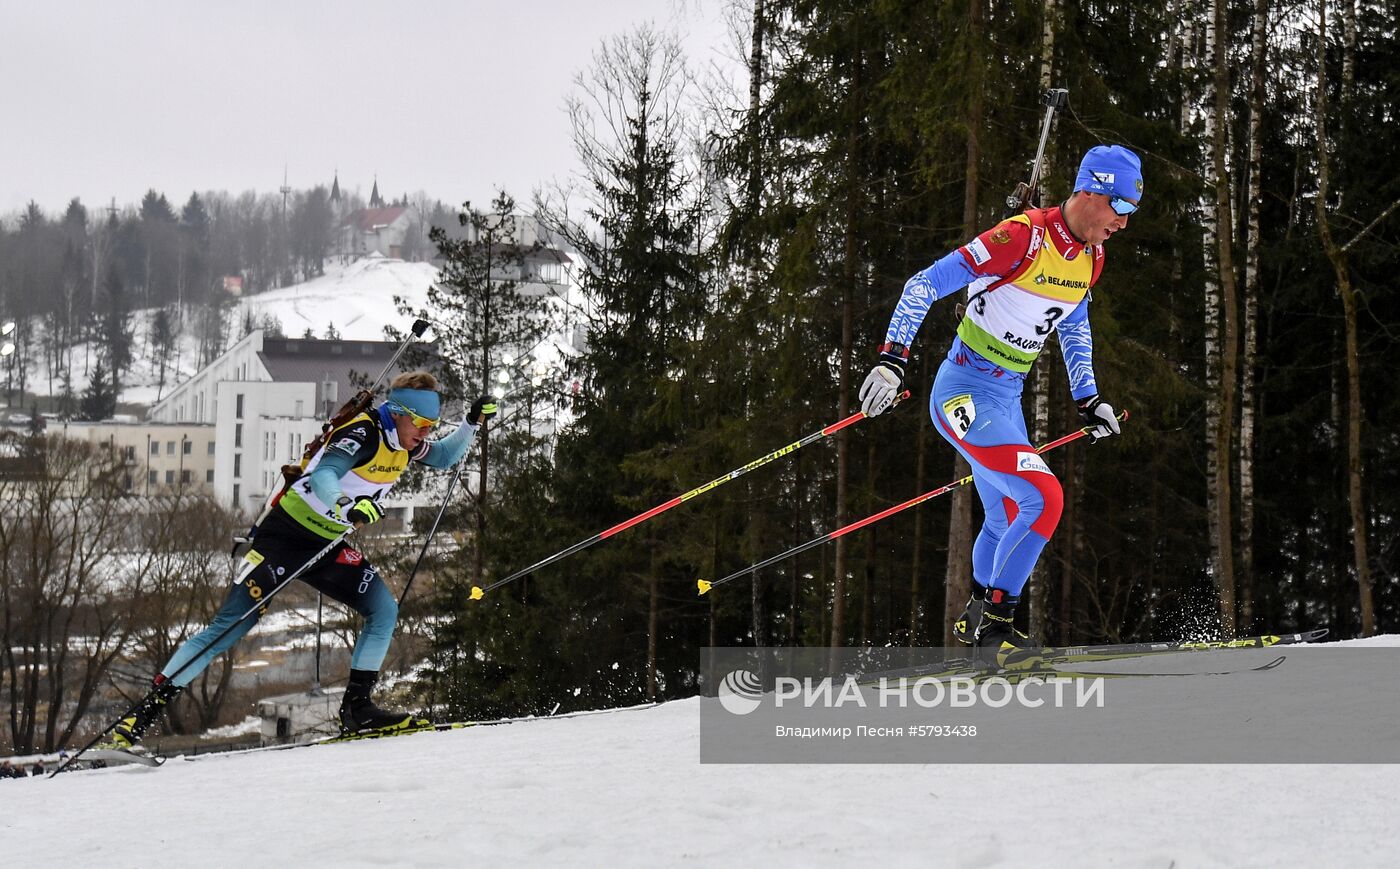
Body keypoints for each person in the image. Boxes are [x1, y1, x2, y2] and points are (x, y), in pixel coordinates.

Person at [859, 145, 1142, 668]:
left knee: (1006, 513)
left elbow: (1075, 328)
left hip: (1006, 399)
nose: (1124, 224)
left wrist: (1090, 399)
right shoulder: (1021, 236)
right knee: (1044, 498)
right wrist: (891, 360)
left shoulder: (1092, 258)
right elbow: (923, 284)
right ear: (1092, 193)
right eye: (1121, 208)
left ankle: (976, 621)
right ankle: (997, 631)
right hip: (963, 392)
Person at [108, 372, 497, 746]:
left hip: (325, 546)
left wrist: (470, 422)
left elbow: (446, 456)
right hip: (285, 538)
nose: (426, 434)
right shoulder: (363, 432)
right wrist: (349, 505)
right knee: (230, 628)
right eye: (422, 424)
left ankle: (358, 709)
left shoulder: (404, 443)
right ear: (397, 413)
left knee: (383, 609)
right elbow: (326, 475)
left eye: (431, 425)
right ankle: (139, 717)